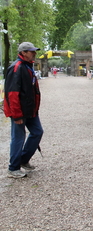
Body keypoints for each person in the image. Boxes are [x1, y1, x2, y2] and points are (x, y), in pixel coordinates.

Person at [3, 42, 44, 178]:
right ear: (23, 53)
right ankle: (13, 168)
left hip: (30, 110)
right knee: (18, 138)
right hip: (20, 111)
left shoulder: (27, 66)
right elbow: (12, 93)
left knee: (37, 132)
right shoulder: (17, 67)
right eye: (31, 51)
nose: (34, 53)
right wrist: (16, 115)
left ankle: (23, 159)